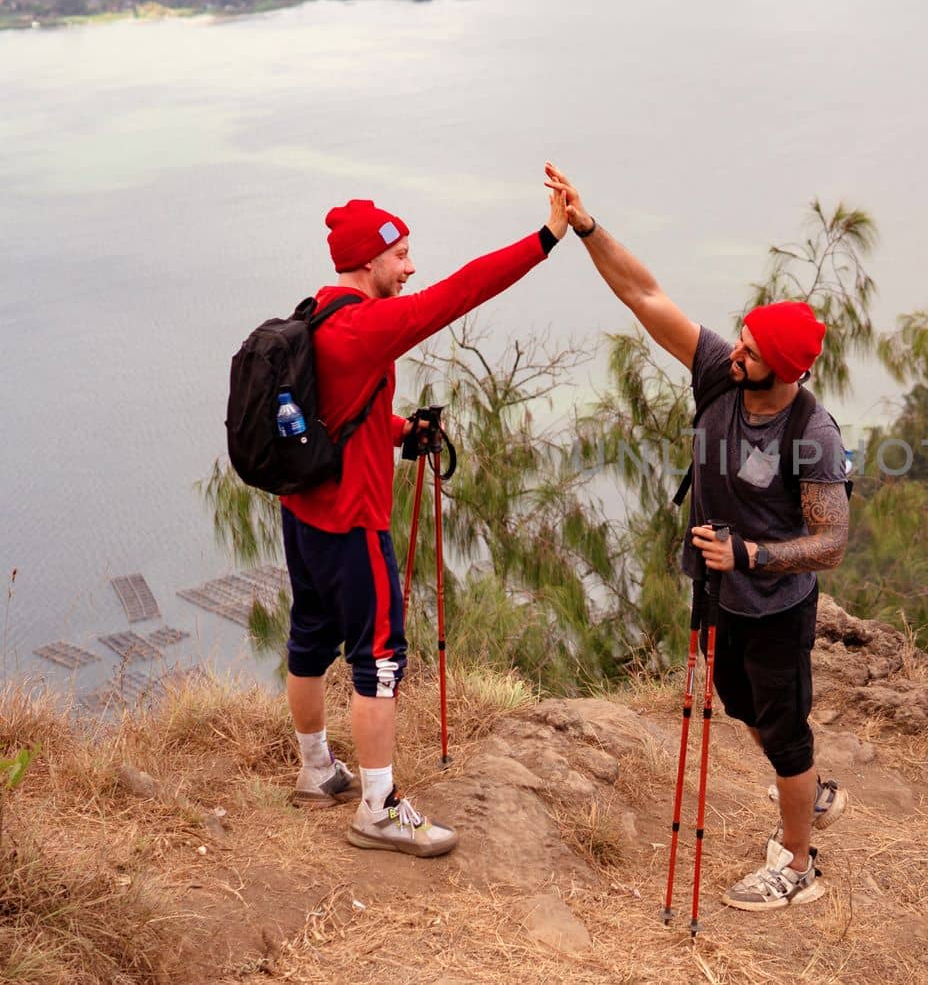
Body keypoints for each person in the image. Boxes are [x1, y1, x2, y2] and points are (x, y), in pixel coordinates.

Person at [545, 162, 851, 911]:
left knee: (782, 729)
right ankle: (807, 789)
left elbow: (832, 541)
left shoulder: (811, 434)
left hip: (775, 604)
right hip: (719, 590)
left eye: (747, 349)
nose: (729, 351)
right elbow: (643, 293)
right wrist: (587, 226)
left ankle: (798, 863)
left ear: (777, 369)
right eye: (738, 341)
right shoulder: (721, 374)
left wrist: (754, 555)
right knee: (745, 708)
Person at [281, 188, 567, 857]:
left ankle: (316, 769)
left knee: (308, 637)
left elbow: (339, 415)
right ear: (369, 260)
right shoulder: (366, 325)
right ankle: (377, 811)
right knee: (380, 660)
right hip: (354, 524)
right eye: (401, 256)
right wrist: (547, 237)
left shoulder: (318, 315)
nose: (410, 270)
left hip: (304, 514)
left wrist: (401, 430)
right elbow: (462, 294)